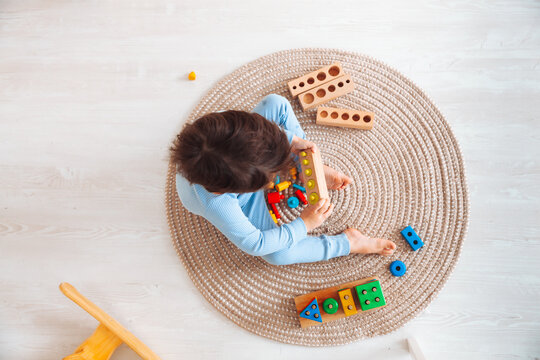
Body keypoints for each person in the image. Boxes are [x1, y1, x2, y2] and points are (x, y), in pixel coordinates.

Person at [170, 94, 396, 265]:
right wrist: (304, 224)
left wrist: (291, 141)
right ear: (253, 186)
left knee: (275, 103)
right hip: (244, 200)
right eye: (273, 173)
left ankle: (308, 169)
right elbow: (255, 243)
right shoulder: (217, 203)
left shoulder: (210, 132)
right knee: (277, 253)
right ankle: (349, 242)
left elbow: (257, 131)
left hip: (240, 167)